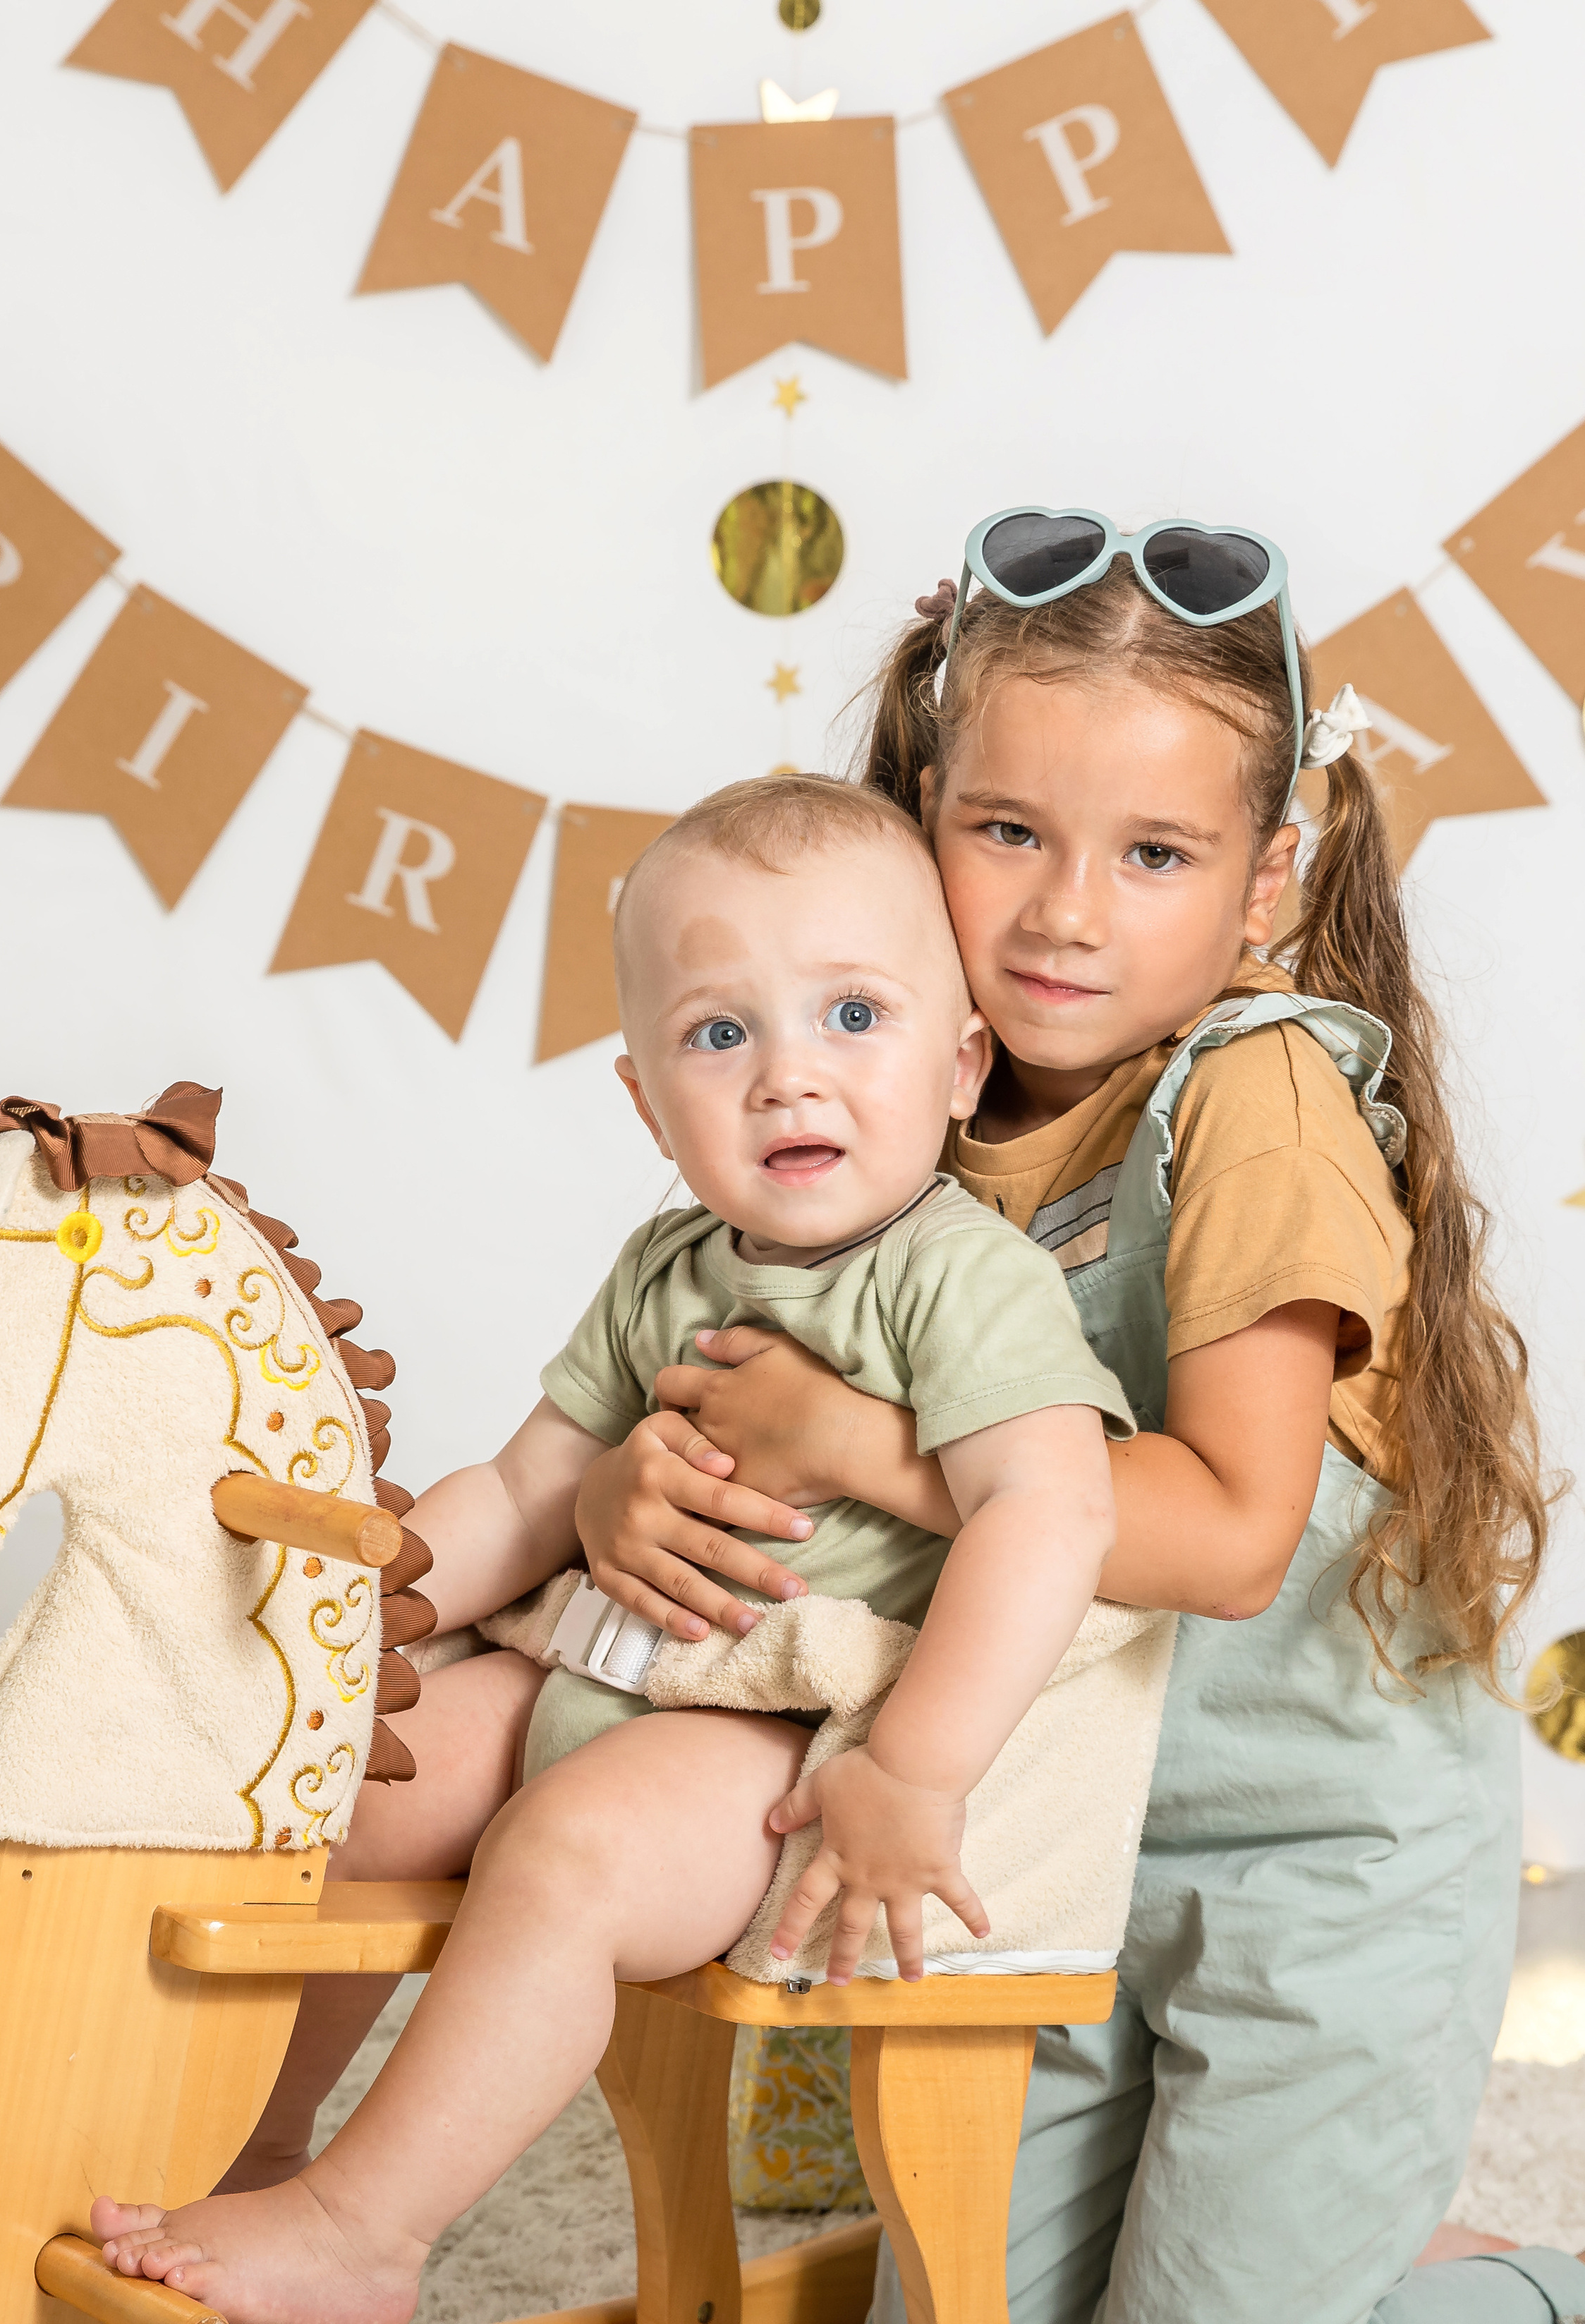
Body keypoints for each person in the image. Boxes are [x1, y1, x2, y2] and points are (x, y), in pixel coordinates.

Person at [575, 511, 1567, 2323]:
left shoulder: (1253, 1102)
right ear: (918, 818)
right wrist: (623, 1493)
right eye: (1007, 831)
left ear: (1261, 885)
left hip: (1316, 1876)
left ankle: (1505, 2292)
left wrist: (849, 1444)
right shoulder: (889, 1084)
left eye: (1153, 853)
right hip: (1042, 1836)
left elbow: (1231, 1533)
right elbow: (706, 1378)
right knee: (952, 2304)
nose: (1062, 912)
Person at [93, 772, 1138, 2324]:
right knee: (352, 1774)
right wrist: (351, 1624)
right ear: (647, 1101)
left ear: (960, 1059)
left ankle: (366, 2234)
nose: (789, 1077)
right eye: (721, 1035)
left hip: (785, 1739)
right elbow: (529, 1489)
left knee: (564, 1855)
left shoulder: (960, 1279)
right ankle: (256, 2150)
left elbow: (1050, 1511)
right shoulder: (668, 1265)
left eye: (854, 1016)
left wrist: (913, 1771)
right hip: (613, 1666)